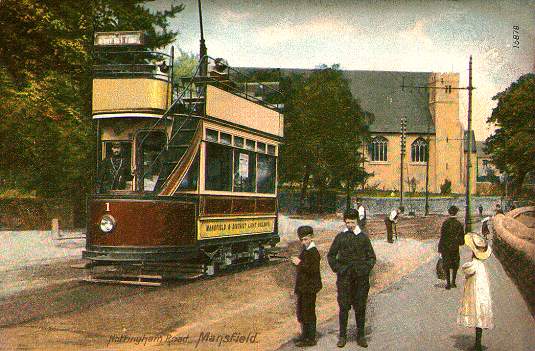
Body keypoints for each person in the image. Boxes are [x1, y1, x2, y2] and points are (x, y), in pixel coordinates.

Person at [327, 209, 376, 348]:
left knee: (360, 308)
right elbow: (331, 256)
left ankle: (361, 336)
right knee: (343, 308)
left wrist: (364, 270)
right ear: (344, 222)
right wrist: (340, 269)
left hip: (361, 281)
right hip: (344, 280)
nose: (350, 225)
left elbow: (372, 258)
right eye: (347, 222)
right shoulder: (340, 237)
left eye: (352, 222)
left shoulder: (363, 237)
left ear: (357, 221)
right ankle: (343, 336)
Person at [458, 233, 493, 351]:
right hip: (482, 295)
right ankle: (478, 343)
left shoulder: (473, 265)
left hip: (475, 296)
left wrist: (471, 260)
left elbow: (465, 269)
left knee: (477, 317)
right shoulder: (482, 265)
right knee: (480, 320)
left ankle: (477, 345)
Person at [291, 225, 322, 347]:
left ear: (311, 238)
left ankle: (310, 338)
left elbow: (312, 269)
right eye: (302, 240)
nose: (304, 242)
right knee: (302, 311)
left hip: (310, 288)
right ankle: (305, 335)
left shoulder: (313, 252)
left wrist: (299, 263)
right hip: (304, 287)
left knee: (308, 312)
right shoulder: (306, 250)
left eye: (306, 239)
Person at [438, 205, 465, 289]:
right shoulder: (459, 224)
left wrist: (440, 248)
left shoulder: (445, 223)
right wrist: (459, 242)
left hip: (446, 247)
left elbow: (442, 236)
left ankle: (448, 283)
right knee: (455, 265)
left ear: (449, 213)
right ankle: (453, 282)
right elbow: (462, 239)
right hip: (454, 247)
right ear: (456, 213)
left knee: (446, 265)